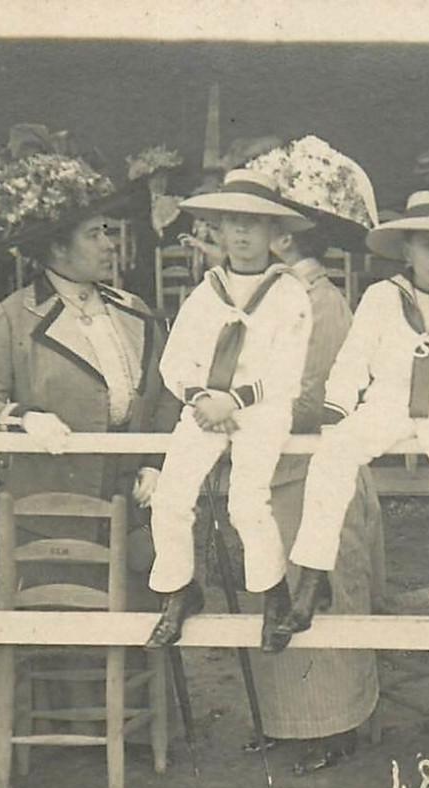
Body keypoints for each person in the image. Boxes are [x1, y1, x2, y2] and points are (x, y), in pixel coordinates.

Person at [277, 189, 429, 644]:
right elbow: (353, 359)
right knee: (332, 457)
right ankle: (309, 583)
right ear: (407, 250)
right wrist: (337, 412)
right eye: (428, 245)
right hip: (386, 404)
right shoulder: (382, 298)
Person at [0, 135, 171, 597]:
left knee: (135, 633)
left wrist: (156, 462)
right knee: (62, 624)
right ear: (56, 250)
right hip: (50, 506)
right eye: (94, 235)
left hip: (131, 504)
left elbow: (166, 391)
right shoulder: (10, 316)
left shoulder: (134, 311)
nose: (109, 245)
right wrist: (24, 418)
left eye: (107, 232)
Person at [240, 136, 384, 773]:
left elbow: (314, 400)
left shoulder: (321, 305)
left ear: (286, 241)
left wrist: (240, 404)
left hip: (311, 470)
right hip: (274, 471)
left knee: (318, 594)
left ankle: (334, 727)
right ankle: (287, 723)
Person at [143, 168, 314, 650]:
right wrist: (200, 396)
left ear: (272, 233)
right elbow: (174, 360)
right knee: (172, 495)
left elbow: (288, 371)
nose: (241, 233)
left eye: (253, 223)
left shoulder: (288, 294)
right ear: (218, 228)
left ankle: (273, 597)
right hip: (205, 407)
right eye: (232, 222)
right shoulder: (206, 292)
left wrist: (234, 399)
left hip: (259, 408)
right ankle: (180, 590)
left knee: (246, 502)